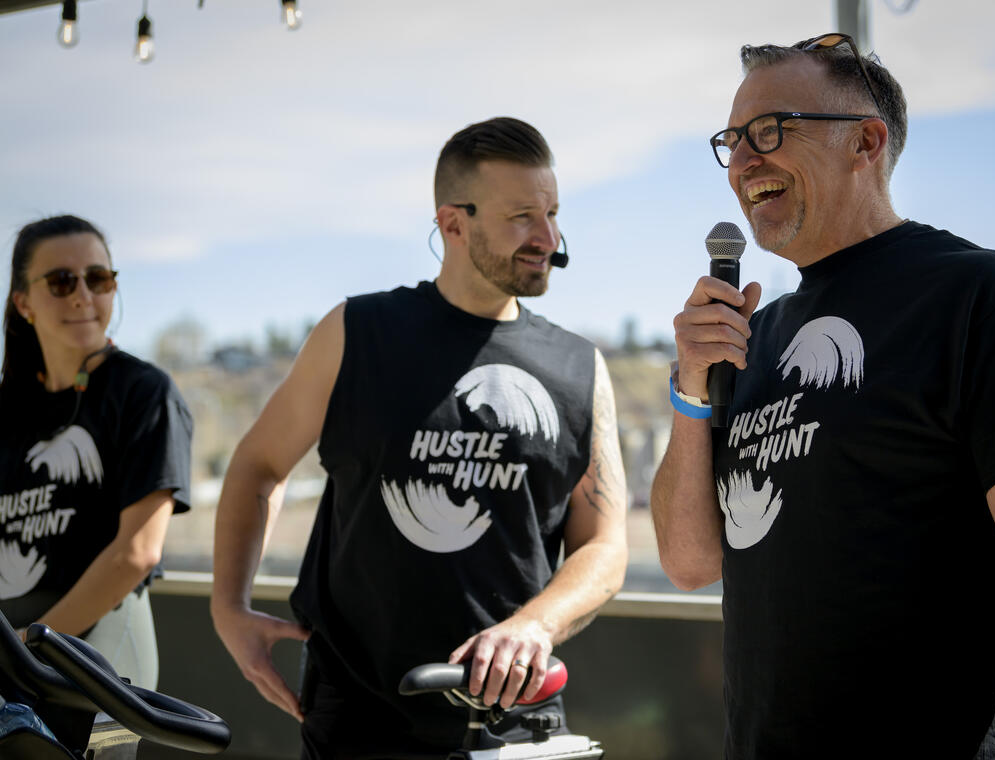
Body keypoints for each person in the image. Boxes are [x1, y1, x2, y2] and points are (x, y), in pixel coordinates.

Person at [651, 33, 995, 760]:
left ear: (865, 141)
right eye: (731, 141)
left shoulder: (973, 294)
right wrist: (692, 388)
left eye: (769, 130)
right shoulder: (752, 338)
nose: (742, 160)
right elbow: (689, 561)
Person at [211, 116, 628, 759]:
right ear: (453, 224)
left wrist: (532, 627)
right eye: (521, 216)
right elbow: (258, 466)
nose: (546, 237)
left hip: (515, 721)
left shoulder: (580, 367)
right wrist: (228, 609)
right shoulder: (357, 332)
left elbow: (603, 545)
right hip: (358, 716)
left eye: (552, 213)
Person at [0, 214, 192, 690]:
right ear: (23, 302)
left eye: (99, 278)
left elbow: (137, 553)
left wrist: (27, 649)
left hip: (93, 656)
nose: (84, 294)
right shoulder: (7, 406)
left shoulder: (144, 392)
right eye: (62, 281)